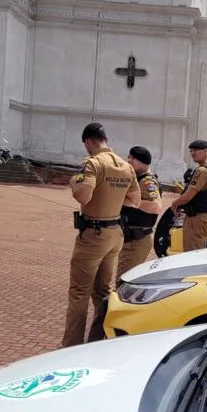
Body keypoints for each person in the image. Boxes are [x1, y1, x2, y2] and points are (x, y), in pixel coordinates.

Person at [63, 123, 140, 347]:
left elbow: (84, 197)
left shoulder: (92, 163)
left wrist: (74, 183)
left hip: (93, 235)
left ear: (88, 142)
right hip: (115, 233)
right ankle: (98, 341)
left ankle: (71, 345)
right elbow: (135, 201)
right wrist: (112, 198)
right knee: (103, 292)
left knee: (79, 293)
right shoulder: (126, 166)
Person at [117, 146, 163, 280]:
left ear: (141, 162)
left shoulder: (146, 181)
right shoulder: (137, 178)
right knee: (125, 278)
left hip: (136, 240)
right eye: (129, 157)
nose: (129, 160)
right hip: (130, 238)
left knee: (124, 280)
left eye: (132, 158)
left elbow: (155, 206)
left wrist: (131, 202)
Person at [170, 140, 207, 252]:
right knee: (198, 248)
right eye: (191, 151)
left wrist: (174, 204)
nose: (193, 153)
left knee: (192, 251)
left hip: (197, 217)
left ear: (206, 151)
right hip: (204, 216)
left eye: (196, 150)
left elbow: (188, 196)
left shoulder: (202, 171)